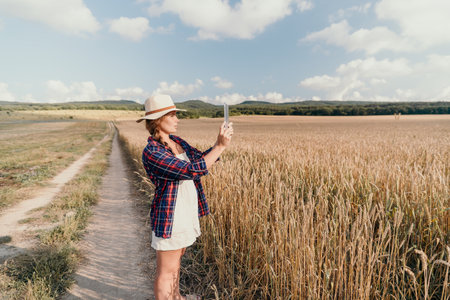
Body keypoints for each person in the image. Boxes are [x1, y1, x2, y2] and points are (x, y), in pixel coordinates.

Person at [136, 94, 233, 300]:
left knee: (176, 262)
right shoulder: (152, 151)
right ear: (157, 120)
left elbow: (200, 159)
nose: (177, 119)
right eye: (172, 115)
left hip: (185, 210)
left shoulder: (176, 141)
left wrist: (219, 144)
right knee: (166, 271)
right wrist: (220, 146)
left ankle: (177, 297)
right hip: (170, 216)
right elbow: (191, 170)